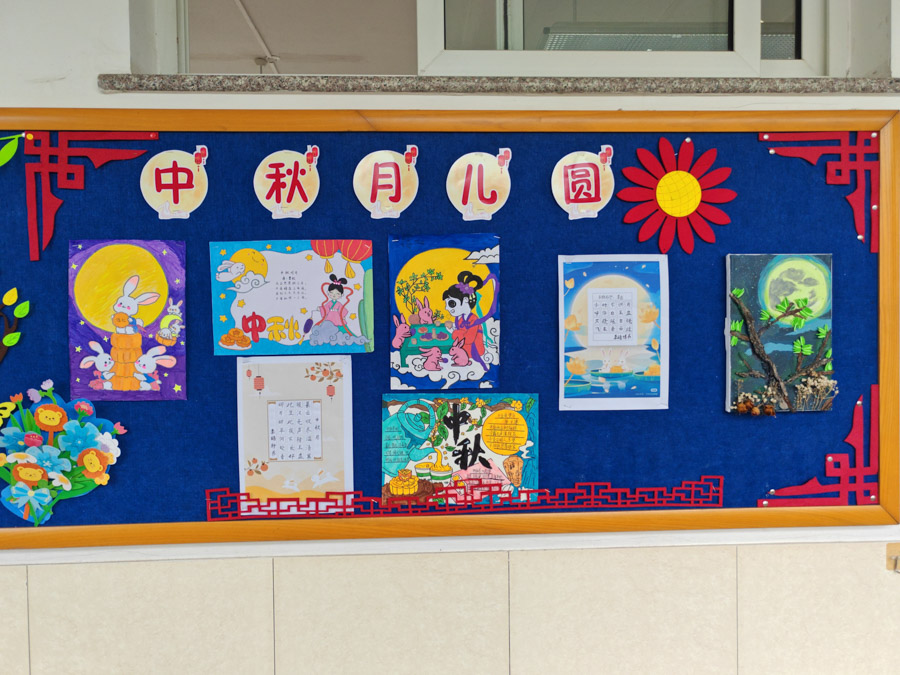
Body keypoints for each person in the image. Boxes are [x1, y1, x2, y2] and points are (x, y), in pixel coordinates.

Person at [441, 271, 498, 370]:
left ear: (466, 300)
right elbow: (460, 332)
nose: (447, 308)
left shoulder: (473, 319)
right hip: (461, 349)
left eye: (451, 303)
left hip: (473, 352)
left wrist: (453, 332)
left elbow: (468, 339)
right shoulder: (459, 317)